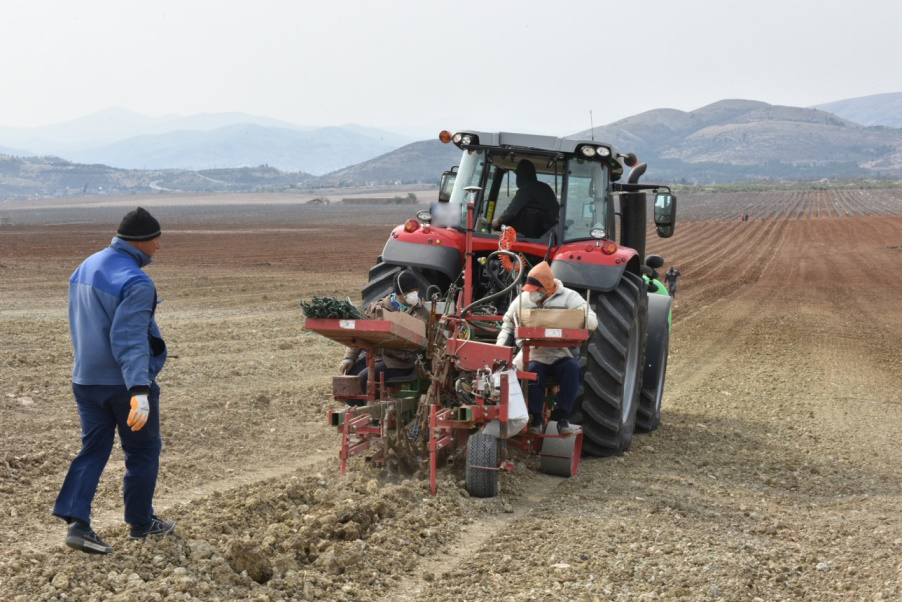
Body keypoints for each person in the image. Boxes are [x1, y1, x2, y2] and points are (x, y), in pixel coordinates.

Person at [52, 207, 175, 555]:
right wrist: (139, 390)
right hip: (124, 386)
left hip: (85, 380)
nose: (160, 246)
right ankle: (141, 523)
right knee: (143, 451)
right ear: (143, 241)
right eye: (158, 239)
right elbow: (130, 337)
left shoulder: (86, 265)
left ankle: (78, 525)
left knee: (93, 450)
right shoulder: (136, 282)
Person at [496, 261, 598, 435]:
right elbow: (508, 325)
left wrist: (570, 319)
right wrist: (498, 350)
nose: (532, 294)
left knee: (572, 369)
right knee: (533, 372)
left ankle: (563, 419)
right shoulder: (523, 300)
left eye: (535, 290)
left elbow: (592, 321)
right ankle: (536, 419)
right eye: (530, 290)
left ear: (547, 287)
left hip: (559, 353)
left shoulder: (569, 297)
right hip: (533, 353)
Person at [339, 270, 429, 397]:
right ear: (400, 292)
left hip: (399, 361)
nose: (414, 294)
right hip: (376, 357)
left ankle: (371, 414)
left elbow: (425, 335)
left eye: (416, 290)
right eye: (410, 291)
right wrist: (349, 358)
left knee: (363, 379)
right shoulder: (377, 308)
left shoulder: (421, 312)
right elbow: (360, 334)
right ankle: (359, 409)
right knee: (348, 379)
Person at [491, 159, 560, 239]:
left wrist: (497, 221)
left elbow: (510, 213)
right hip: (548, 234)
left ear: (520, 176)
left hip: (527, 237)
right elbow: (556, 208)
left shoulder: (525, 191)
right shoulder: (546, 188)